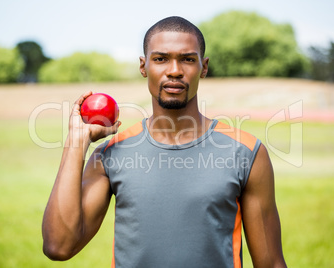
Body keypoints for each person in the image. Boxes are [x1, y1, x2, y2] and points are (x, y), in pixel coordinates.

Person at [42, 16, 287, 268]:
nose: (174, 70)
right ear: (143, 66)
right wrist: (76, 142)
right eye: (160, 59)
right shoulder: (110, 154)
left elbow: (271, 263)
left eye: (187, 59)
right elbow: (58, 246)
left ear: (203, 67)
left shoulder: (246, 152)